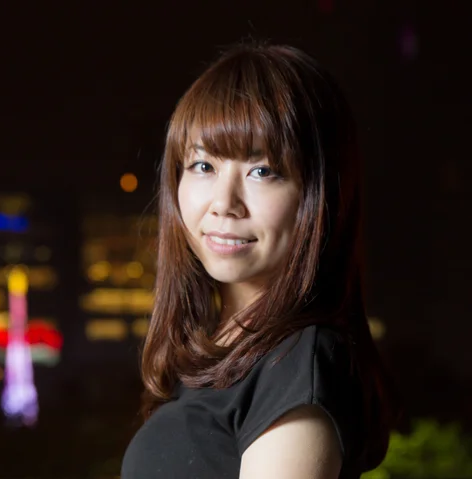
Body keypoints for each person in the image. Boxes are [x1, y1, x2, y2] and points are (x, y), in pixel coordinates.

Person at [121, 42, 397, 479]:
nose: (224, 204)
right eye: (202, 166)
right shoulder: (221, 351)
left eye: (262, 171)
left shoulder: (299, 361)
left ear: (319, 197)